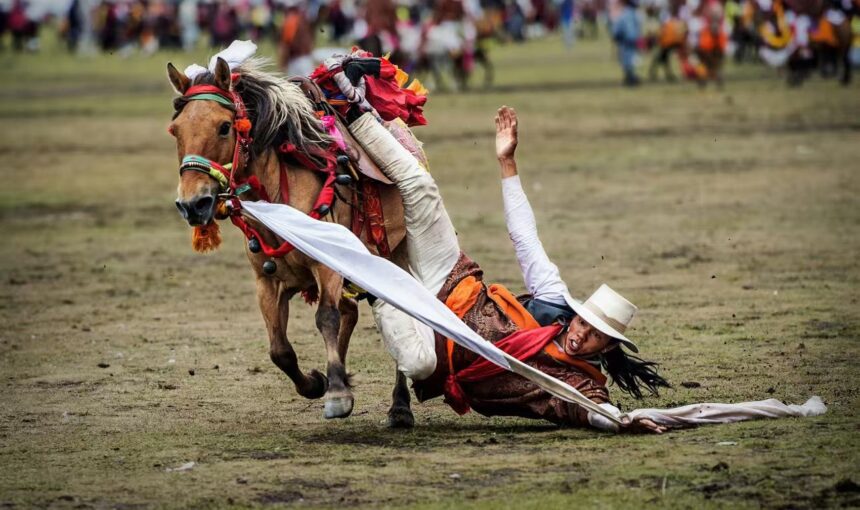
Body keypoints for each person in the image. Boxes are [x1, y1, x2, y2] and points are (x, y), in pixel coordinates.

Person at [356, 106, 670, 433]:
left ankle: (371, 285)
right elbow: (525, 237)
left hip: (439, 350)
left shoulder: (578, 383)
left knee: (418, 363)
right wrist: (507, 162)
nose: (581, 336)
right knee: (421, 186)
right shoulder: (554, 301)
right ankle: (353, 110)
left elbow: (593, 410)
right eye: (582, 324)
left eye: (595, 337)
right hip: (455, 286)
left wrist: (621, 421)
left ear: (606, 348)